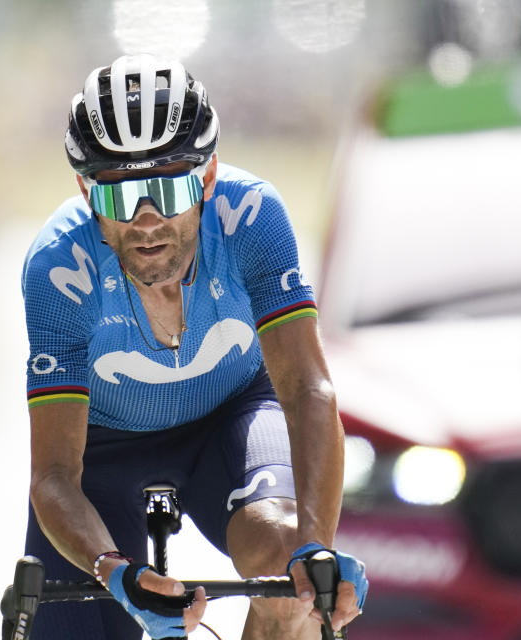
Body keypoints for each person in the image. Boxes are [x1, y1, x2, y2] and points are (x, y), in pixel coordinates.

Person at [20, 53, 368, 639]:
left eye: (167, 187)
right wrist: (114, 572)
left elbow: (307, 388)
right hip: (103, 448)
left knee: (288, 577)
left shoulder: (252, 217)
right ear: (85, 192)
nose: (147, 222)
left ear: (206, 179)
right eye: (120, 197)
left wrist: (315, 550)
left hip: (229, 419)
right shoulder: (58, 268)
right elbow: (53, 474)